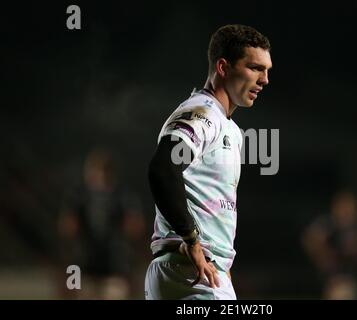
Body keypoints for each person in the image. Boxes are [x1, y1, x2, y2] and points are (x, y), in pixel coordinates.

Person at [145, 24, 272, 300]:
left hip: (200, 271)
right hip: (190, 273)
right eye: (254, 68)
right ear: (223, 67)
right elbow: (163, 169)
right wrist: (191, 239)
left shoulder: (230, 128)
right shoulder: (202, 114)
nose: (265, 79)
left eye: (267, 70)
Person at [58, 148, 145, 299]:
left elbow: (135, 227)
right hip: (85, 264)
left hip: (114, 266)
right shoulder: (78, 196)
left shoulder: (122, 196)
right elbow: (67, 227)